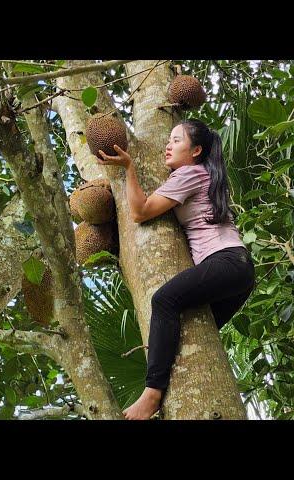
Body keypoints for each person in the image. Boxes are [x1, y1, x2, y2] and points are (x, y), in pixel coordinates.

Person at [95, 119, 255, 420]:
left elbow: (140, 212)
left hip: (225, 261)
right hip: (239, 269)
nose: (168, 146)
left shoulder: (190, 173)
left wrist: (130, 168)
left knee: (163, 300)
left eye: (176, 140)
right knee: (191, 332)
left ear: (195, 150)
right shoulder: (204, 174)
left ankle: (153, 392)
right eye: (168, 140)